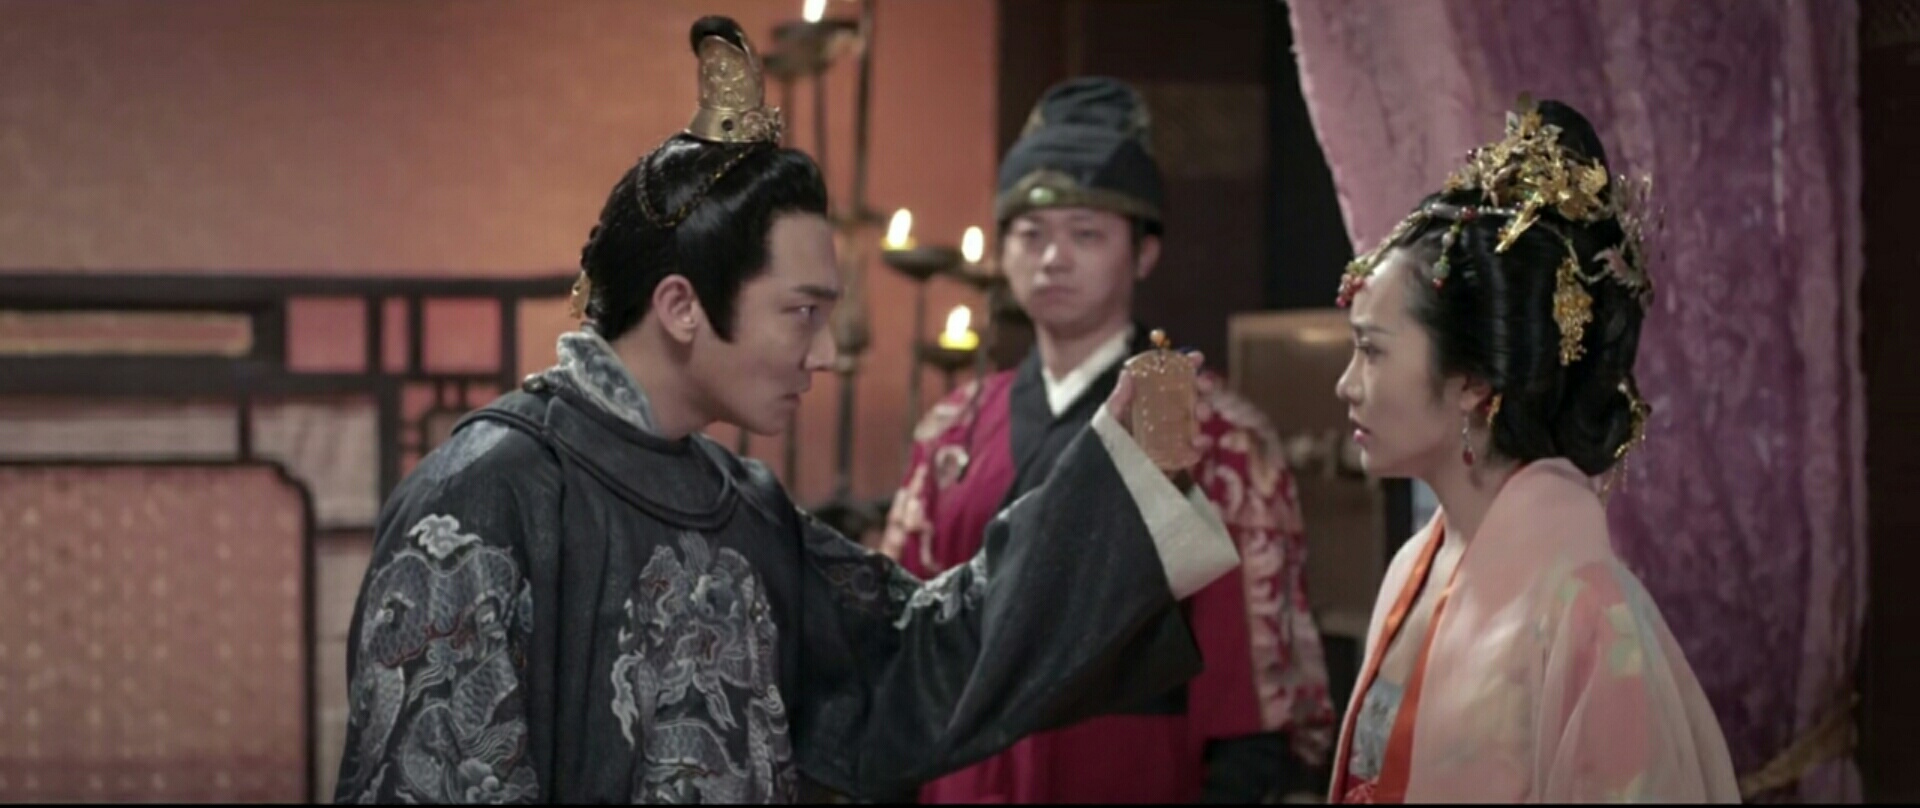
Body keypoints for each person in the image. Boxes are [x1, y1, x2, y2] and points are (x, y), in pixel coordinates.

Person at [331, 19, 1243, 804]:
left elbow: (913, 661)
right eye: (802, 312)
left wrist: (1119, 483)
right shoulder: (489, 496)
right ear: (682, 306)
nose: (828, 352)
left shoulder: (745, 506)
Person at [880, 77, 1335, 804]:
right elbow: (903, 641)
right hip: (966, 773)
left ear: (1145, 252)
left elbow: (1249, 671)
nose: (1053, 258)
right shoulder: (951, 430)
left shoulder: (1214, 431)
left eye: (1085, 234)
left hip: (1132, 772)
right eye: (1031, 234)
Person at [1327, 97, 1739, 802]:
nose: (1347, 384)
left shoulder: (1589, 613)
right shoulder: (1412, 567)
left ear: (1471, 382)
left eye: (1372, 351)